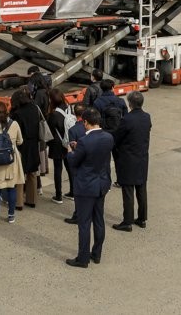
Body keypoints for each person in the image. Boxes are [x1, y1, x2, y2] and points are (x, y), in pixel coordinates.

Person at [64, 107, 114, 268]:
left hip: (86, 186)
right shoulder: (108, 137)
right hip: (101, 183)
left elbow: (74, 161)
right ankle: (96, 253)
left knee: (84, 224)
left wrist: (71, 151)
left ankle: (82, 258)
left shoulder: (85, 142)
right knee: (99, 220)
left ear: (85, 122)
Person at [111, 91, 152, 232]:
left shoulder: (126, 119)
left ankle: (127, 221)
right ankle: (142, 219)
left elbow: (117, 137)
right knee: (141, 189)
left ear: (130, 104)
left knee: (128, 191)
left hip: (128, 159)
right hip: (142, 158)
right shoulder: (147, 117)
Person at [0, 101, 24, 224]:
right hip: (11, 160)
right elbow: (20, 141)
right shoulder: (14, 124)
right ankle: (11, 215)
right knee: (11, 188)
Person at [9, 88, 41, 209]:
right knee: (32, 172)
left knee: (20, 174)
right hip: (33, 144)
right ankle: (31, 200)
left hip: (22, 145)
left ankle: (19, 202)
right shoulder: (34, 108)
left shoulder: (17, 113)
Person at [46, 88, 71, 204]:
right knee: (69, 167)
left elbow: (49, 131)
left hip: (57, 143)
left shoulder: (53, 114)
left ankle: (58, 195)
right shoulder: (69, 108)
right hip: (69, 141)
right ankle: (73, 192)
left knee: (58, 169)